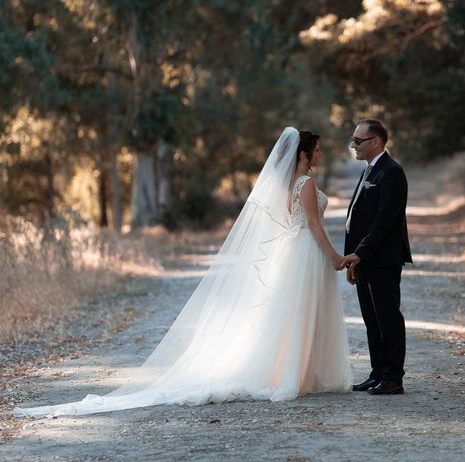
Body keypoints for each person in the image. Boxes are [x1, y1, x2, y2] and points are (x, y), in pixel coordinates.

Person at [14, 127, 353, 417]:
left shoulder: (286, 184)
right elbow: (311, 224)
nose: (320, 156)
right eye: (318, 151)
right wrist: (335, 256)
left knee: (294, 314)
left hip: (293, 252)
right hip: (305, 251)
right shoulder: (306, 184)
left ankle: (295, 373)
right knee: (300, 313)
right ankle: (295, 375)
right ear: (305, 154)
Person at [342, 119, 412, 395]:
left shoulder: (391, 172)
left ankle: (393, 377)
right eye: (353, 139)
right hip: (364, 259)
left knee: (388, 318)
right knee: (371, 319)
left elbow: (384, 220)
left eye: (358, 141)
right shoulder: (371, 169)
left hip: (382, 258)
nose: (353, 145)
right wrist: (354, 259)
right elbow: (357, 217)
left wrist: (359, 253)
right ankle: (378, 372)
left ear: (376, 142)